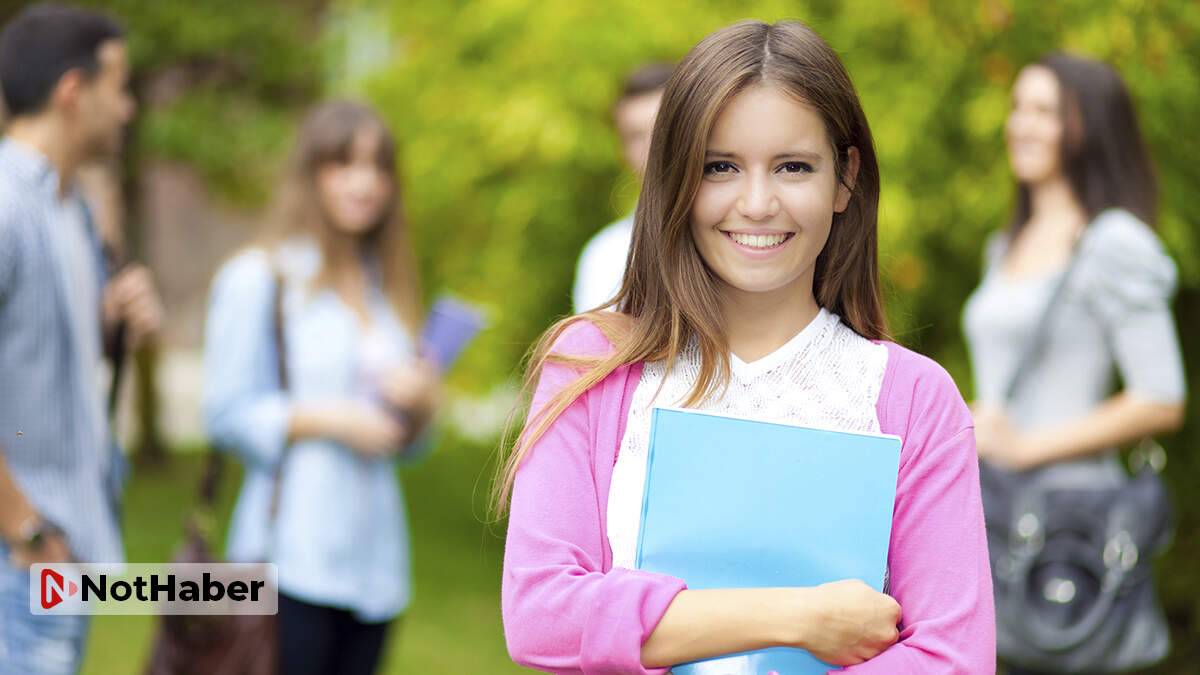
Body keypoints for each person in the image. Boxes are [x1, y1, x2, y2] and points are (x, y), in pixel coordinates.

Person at [498, 19, 994, 674]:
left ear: (845, 177)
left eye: (793, 166)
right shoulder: (591, 362)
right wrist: (798, 617)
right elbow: (541, 613)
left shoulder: (915, 399)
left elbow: (952, 658)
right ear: (675, 177)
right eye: (720, 167)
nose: (757, 203)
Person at [962, 53, 1186, 674]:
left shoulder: (1113, 242)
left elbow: (1161, 397)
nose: (1021, 125)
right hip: (992, 509)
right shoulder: (1004, 244)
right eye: (1017, 108)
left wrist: (1027, 446)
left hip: (1072, 522)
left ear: (1089, 126)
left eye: (1045, 111)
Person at [204, 100, 441, 675]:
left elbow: (406, 444)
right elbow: (224, 413)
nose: (366, 183)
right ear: (310, 174)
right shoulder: (262, 278)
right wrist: (334, 419)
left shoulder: (385, 289)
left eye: (379, 167)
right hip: (289, 555)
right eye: (344, 164)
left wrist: (418, 408)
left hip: (375, 561)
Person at [0, 3, 161, 673]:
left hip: (66, 563)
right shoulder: (6, 205)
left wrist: (110, 323)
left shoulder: (68, 208)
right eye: (118, 87)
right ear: (73, 92)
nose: (126, 109)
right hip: (21, 567)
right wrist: (25, 525)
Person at [571, 62, 672, 314]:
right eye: (635, 136)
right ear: (622, 151)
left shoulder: (744, 228)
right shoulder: (607, 254)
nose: (651, 148)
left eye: (662, 129)